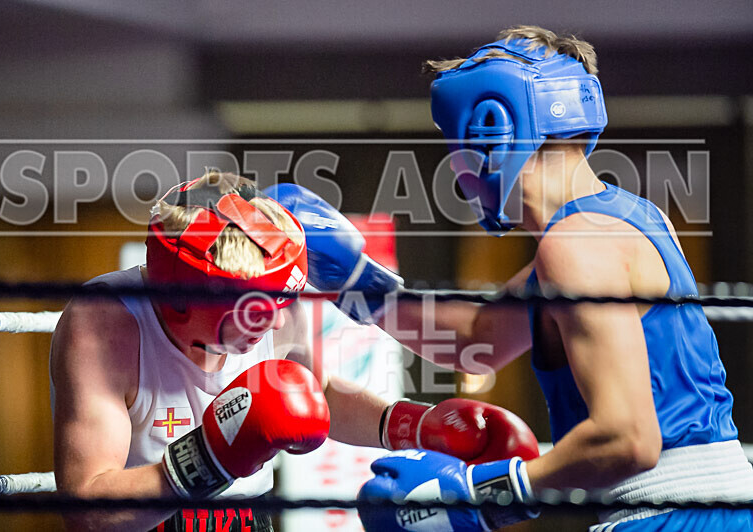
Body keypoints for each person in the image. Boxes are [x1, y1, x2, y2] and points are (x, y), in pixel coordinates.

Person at [269, 26, 753, 531]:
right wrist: (355, 278)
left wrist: (477, 496)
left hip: (670, 516)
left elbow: (629, 438)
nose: (455, 168)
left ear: (490, 129)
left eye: (452, 143)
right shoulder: (628, 220)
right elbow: (476, 336)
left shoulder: (574, 244)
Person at [50, 171, 538, 532]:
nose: (279, 322)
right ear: (183, 301)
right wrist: (212, 456)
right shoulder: (105, 326)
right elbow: (87, 509)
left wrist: (414, 426)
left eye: (284, 304)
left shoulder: (275, 292)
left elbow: (315, 393)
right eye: (260, 312)